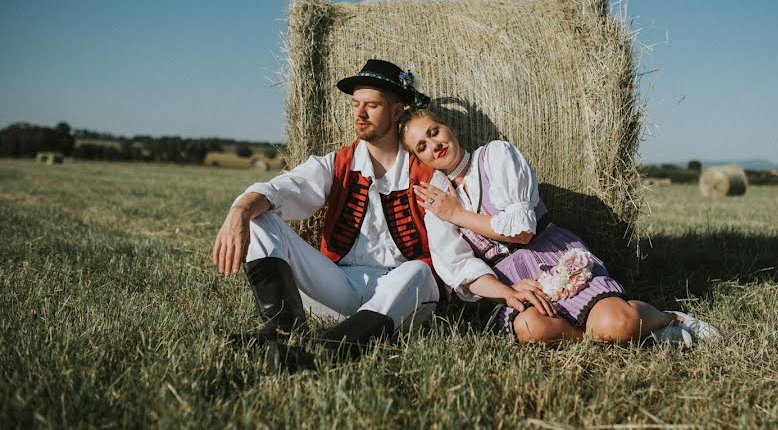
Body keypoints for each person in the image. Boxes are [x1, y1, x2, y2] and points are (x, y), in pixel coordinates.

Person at [212, 60, 554, 371]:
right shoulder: (338, 164)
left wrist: (502, 290)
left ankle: (332, 348)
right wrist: (240, 209)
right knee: (259, 215)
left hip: (402, 298)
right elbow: (284, 189)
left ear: (395, 111)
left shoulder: (427, 178)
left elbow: (453, 258)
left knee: (419, 270)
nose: (359, 113)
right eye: (355, 105)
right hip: (338, 285)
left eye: (371, 105)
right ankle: (282, 331)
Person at [400, 109, 722, 346]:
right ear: (420, 159)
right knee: (530, 328)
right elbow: (459, 270)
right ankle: (614, 339)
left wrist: (458, 215)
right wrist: (508, 292)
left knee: (617, 323)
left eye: (434, 131)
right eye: (421, 146)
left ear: (449, 127)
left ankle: (668, 318)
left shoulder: (495, 156)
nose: (433, 144)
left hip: (553, 257)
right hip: (515, 284)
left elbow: (522, 231)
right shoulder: (437, 204)